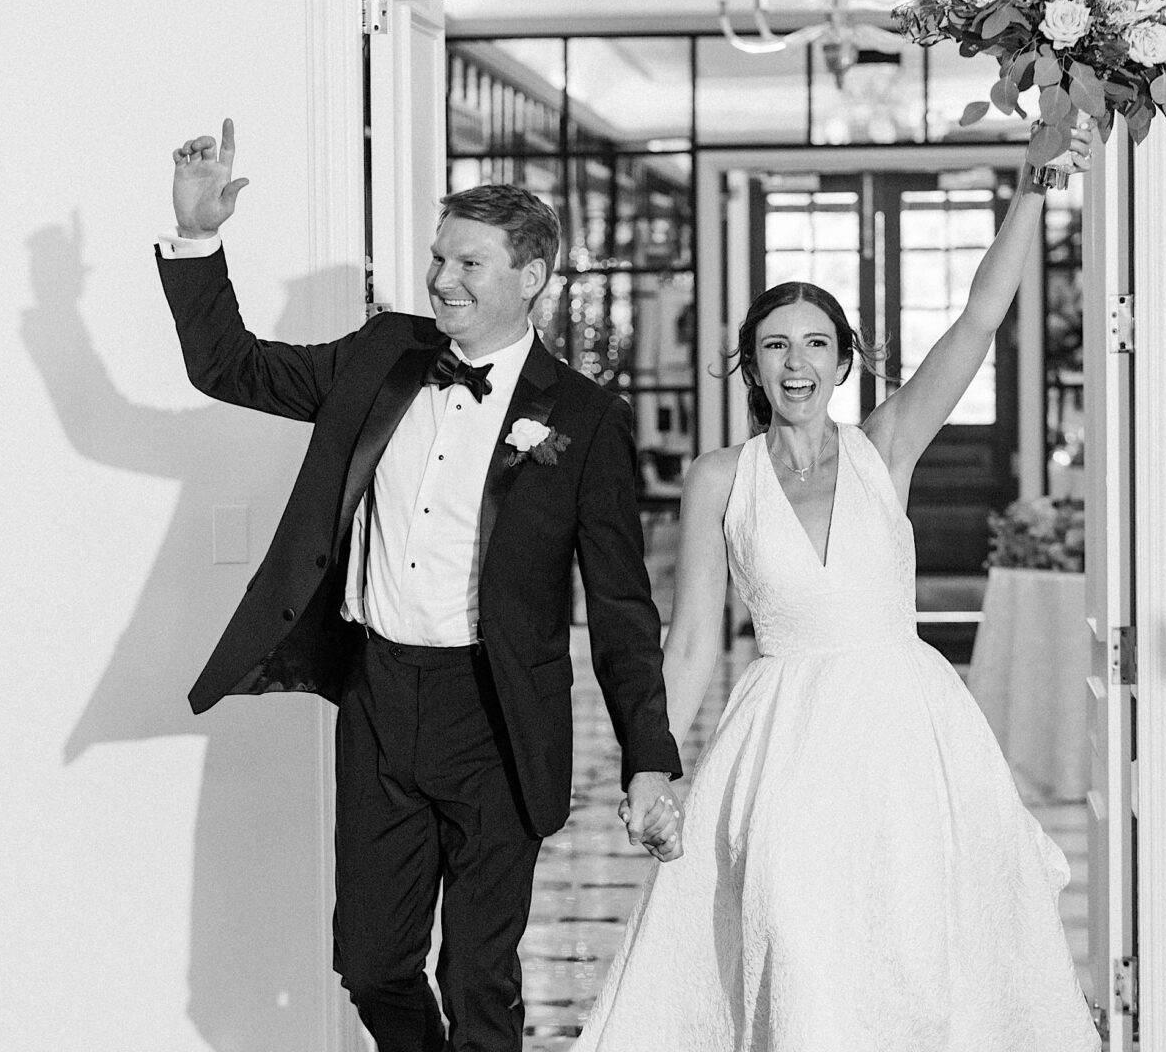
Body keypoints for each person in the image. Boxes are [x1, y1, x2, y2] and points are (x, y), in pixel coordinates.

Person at [156, 119, 685, 1052]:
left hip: (497, 714)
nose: (442, 280)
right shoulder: (381, 355)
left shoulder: (587, 418)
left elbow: (621, 608)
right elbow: (228, 366)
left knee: (479, 976)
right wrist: (200, 237)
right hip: (380, 693)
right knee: (372, 966)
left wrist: (649, 754)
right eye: (438, 258)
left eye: (469, 264)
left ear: (531, 279)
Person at [573, 125, 1102, 1051]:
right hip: (784, 736)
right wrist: (650, 766)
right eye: (775, 346)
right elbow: (693, 640)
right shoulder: (717, 478)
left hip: (908, 730)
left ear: (844, 359)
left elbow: (980, 316)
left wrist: (1034, 186)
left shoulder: (884, 448)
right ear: (751, 362)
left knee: (909, 944)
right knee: (791, 920)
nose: (796, 364)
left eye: (816, 344)